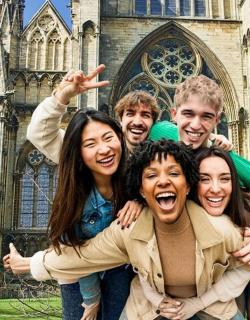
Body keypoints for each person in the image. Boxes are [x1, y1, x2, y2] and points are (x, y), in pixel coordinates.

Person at [4, 140, 250, 320]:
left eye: (174, 173)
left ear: (187, 186)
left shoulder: (219, 231)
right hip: (146, 311)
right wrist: (31, 263)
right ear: (141, 191)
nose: (163, 182)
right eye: (151, 176)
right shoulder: (127, 231)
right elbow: (80, 257)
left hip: (213, 311)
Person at [26, 65, 142, 320]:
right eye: (90, 143)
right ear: (78, 152)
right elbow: (38, 134)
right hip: (75, 270)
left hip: (118, 268)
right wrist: (63, 96)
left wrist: (138, 202)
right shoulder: (75, 175)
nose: (104, 150)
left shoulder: (134, 169)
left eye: (108, 138)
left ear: (120, 138)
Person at [170, 76, 250, 319]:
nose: (195, 124)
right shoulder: (162, 134)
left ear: (217, 121)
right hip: (209, 255)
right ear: (174, 114)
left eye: (206, 117)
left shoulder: (228, 159)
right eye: (188, 114)